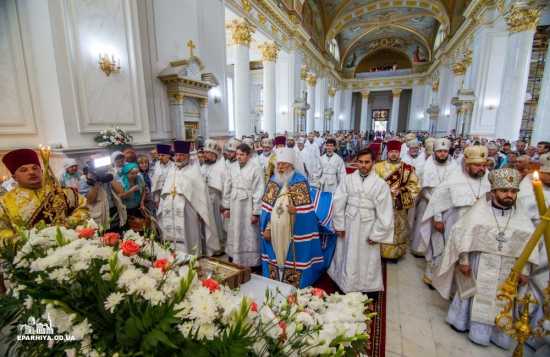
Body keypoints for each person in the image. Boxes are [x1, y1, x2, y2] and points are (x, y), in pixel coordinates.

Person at [434, 168, 541, 349]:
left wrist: (524, 270)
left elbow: (529, 246)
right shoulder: (479, 212)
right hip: (480, 262)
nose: (509, 195)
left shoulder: (522, 218)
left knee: (503, 301)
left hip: (509, 269)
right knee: (474, 295)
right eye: (504, 191)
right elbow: (462, 235)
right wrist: (464, 261)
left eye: (513, 192)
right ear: (493, 192)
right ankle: (464, 324)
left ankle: (497, 335)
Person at [260, 148, 334, 287]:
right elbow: (267, 209)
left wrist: (296, 211)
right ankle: (276, 277)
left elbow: (307, 213)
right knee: (276, 252)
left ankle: (290, 280)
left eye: (284, 164)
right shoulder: (273, 181)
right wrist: (268, 228)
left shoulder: (300, 181)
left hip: (292, 230)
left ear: (292, 166)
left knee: (289, 253)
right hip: (275, 229)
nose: (280, 167)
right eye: (279, 164)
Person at [422, 145, 491, 286]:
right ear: (466, 165)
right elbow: (438, 199)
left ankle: (458, 287)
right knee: (444, 251)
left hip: (477, 227)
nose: (482, 169)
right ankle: (436, 278)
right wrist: (437, 219)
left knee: (469, 257)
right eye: (477, 165)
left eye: (484, 165)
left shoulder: (487, 180)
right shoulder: (454, 178)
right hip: (452, 224)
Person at [328, 148, 394, 293]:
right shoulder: (348, 179)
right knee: (346, 254)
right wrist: (339, 225)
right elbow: (338, 202)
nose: (363, 165)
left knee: (366, 258)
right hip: (349, 224)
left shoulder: (380, 184)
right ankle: (344, 281)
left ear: (373, 163)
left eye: (367, 162)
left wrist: (377, 234)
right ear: (356, 162)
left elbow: (385, 212)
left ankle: (366, 285)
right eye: (360, 162)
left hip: (368, 226)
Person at [0, 149, 88, 243]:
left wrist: (66, 225)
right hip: (33, 253)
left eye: (35, 168)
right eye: (23, 170)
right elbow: (3, 230)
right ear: (14, 177)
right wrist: (24, 241)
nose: (31, 172)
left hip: (70, 244)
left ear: (42, 171)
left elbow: (82, 209)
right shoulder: (4, 203)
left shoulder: (65, 192)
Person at [158, 141, 220, 255]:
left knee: (189, 238)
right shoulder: (172, 170)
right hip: (171, 212)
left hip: (189, 212)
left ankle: (192, 260)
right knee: (172, 242)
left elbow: (201, 196)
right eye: (176, 155)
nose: (178, 157)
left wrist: (202, 212)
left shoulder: (194, 172)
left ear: (187, 156)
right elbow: (165, 191)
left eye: (181, 155)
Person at [374, 139, 420, 260]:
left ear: (400, 152)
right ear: (387, 152)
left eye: (396, 151)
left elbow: (414, 186)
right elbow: (372, 185)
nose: (393, 154)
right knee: (383, 227)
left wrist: (400, 193)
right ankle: (379, 252)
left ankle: (395, 254)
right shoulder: (378, 167)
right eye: (391, 151)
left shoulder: (408, 168)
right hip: (382, 206)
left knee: (397, 229)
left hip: (399, 207)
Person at [410, 138, 457, 257]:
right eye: (439, 151)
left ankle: (439, 253)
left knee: (442, 231)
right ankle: (420, 249)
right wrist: (433, 201)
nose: (442, 154)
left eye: (445, 151)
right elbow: (423, 187)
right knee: (423, 225)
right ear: (435, 152)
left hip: (446, 204)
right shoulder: (427, 165)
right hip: (427, 201)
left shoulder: (454, 166)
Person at [222, 143, 265, 267]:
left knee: (249, 231)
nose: (239, 157)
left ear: (248, 155)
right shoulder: (232, 167)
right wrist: (226, 206)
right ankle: (234, 255)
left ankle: (251, 261)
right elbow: (227, 186)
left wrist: (256, 212)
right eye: (237, 154)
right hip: (235, 204)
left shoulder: (256, 168)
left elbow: (259, 191)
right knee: (234, 229)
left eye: (242, 154)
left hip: (248, 206)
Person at [80, 159, 127, 232]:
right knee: (102, 238)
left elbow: (121, 191)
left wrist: (110, 178)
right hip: (99, 216)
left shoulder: (110, 174)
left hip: (115, 212)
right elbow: (90, 201)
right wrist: (95, 183)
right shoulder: (85, 179)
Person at [200, 139, 226, 252]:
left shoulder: (222, 167)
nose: (204, 155)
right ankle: (209, 246)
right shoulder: (203, 166)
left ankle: (220, 246)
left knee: (217, 223)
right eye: (204, 153)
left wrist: (224, 203)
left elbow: (225, 186)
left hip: (217, 200)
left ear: (214, 154)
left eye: (207, 153)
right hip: (204, 199)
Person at [117, 162, 146, 227]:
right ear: (126, 173)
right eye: (132, 173)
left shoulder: (139, 178)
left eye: (136, 173)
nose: (135, 175)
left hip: (138, 207)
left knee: (140, 226)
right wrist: (131, 191)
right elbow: (120, 196)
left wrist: (142, 202)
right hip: (126, 209)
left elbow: (144, 190)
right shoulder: (121, 182)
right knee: (129, 227)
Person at [151, 144, 173, 208]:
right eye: (159, 155)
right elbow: (155, 185)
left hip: (171, 196)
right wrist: (156, 200)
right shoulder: (156, 165)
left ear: (168, 156)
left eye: (162, 155)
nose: (160, 157)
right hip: (160, 196)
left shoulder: (174, 166)